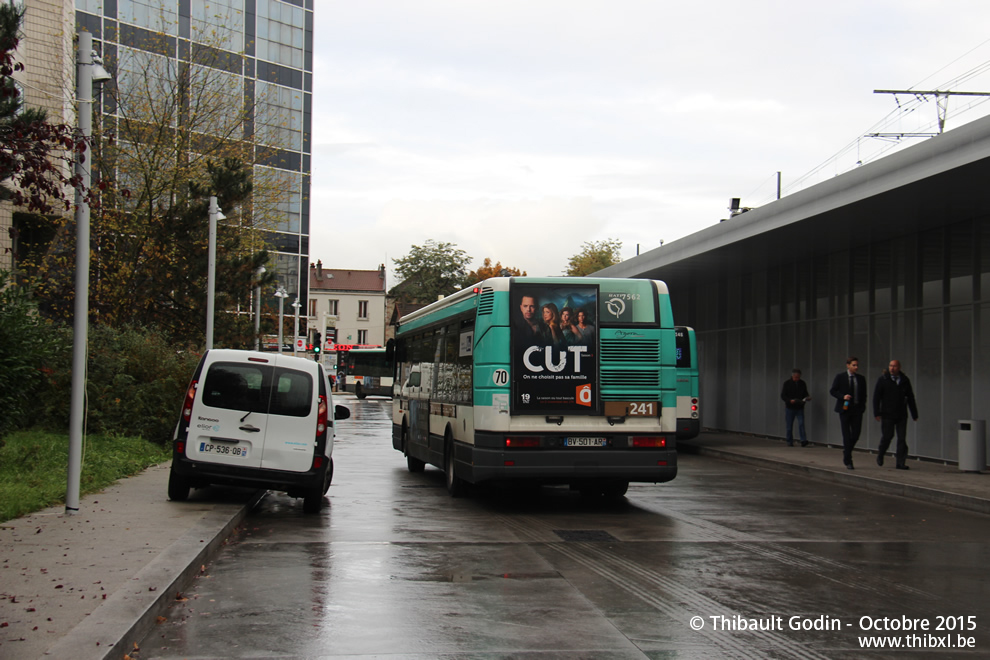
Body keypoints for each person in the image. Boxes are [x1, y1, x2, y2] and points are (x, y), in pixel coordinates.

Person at [873, 359, 919, 470]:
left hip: (901, 414)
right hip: (887, 414)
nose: (892, 368)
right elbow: (876, 397)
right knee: (888, 436)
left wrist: (914, 413)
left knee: (902, 438)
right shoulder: (883, 380)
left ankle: (900, 462)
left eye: (894, 366)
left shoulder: (904, 380)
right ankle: (881, 453)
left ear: (899, 367)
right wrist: (877, 412)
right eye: (890, 366)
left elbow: (910, 397)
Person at [830, 356, 867, 469]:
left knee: (856, 434)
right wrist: (843, 397)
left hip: (857, 409)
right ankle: (848, 459)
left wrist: (862, 406)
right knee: (846, 435)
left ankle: (847, 451)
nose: (856, 367)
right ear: (848, 365)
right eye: (853, 365)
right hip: (845, 409)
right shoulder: (840, 377)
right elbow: (833, 391)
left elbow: (864, 394)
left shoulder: (861, 378)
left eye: (857, 365)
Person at [780, 369, 811, 447]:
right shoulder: (787, 384)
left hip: (799, 406)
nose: (797, 379)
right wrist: (789, 401)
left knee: (801, 424)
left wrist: (807, 398)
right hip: (790, 407)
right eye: (796, 377)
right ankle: (789, 440)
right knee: (789, 426)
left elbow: (805, 393)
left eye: (798, 377)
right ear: (792, 376)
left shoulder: (802, 383)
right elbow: (783, 395)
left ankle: (803, 440)